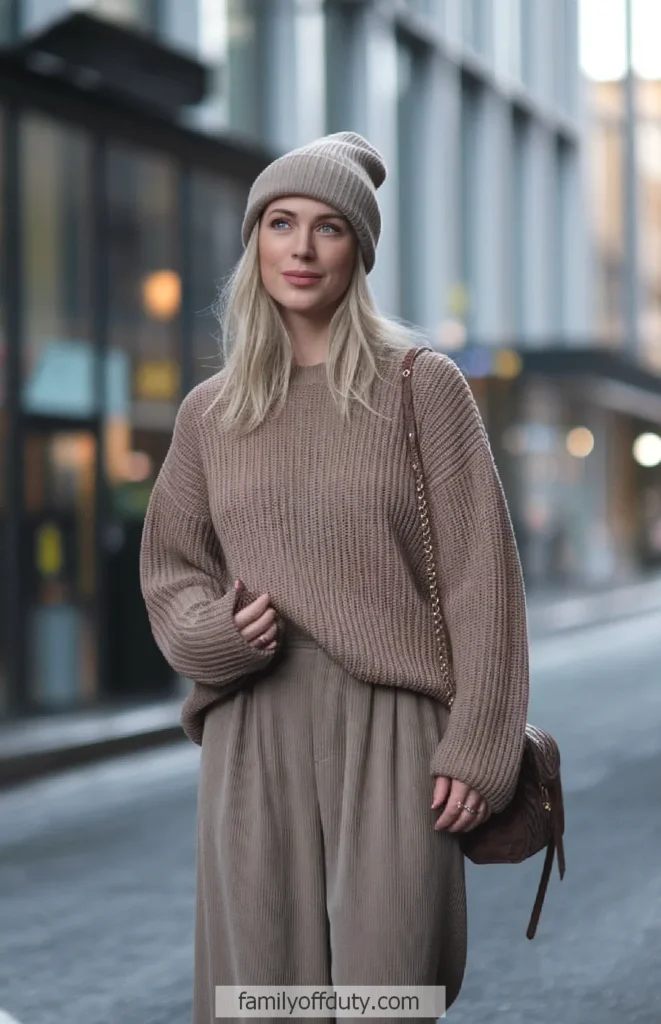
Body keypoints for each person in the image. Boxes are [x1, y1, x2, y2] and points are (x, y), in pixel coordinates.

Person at [139, 132, 529, 1023]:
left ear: (359, 250)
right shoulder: (212, 411)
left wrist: (479, 745)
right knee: (260, 998)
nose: (303, 248)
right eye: (281, 223)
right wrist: (213, 637)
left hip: (391, 725)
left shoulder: (420, 387)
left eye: (328, 227)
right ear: (255, 244)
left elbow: (483, 578)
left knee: (385, 993)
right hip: (251, 722)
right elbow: (171, 565)